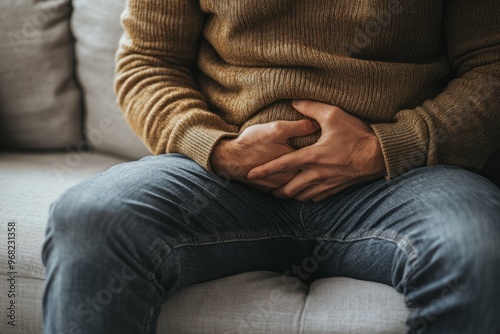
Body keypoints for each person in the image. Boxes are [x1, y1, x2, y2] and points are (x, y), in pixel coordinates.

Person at [42, 0, 500, 333]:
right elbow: (147, 62)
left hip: (399, 180)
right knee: (91, 218)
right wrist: (218, 149)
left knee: (477, 244)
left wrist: (388, 148)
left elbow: (490, 64)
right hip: (218, 182)